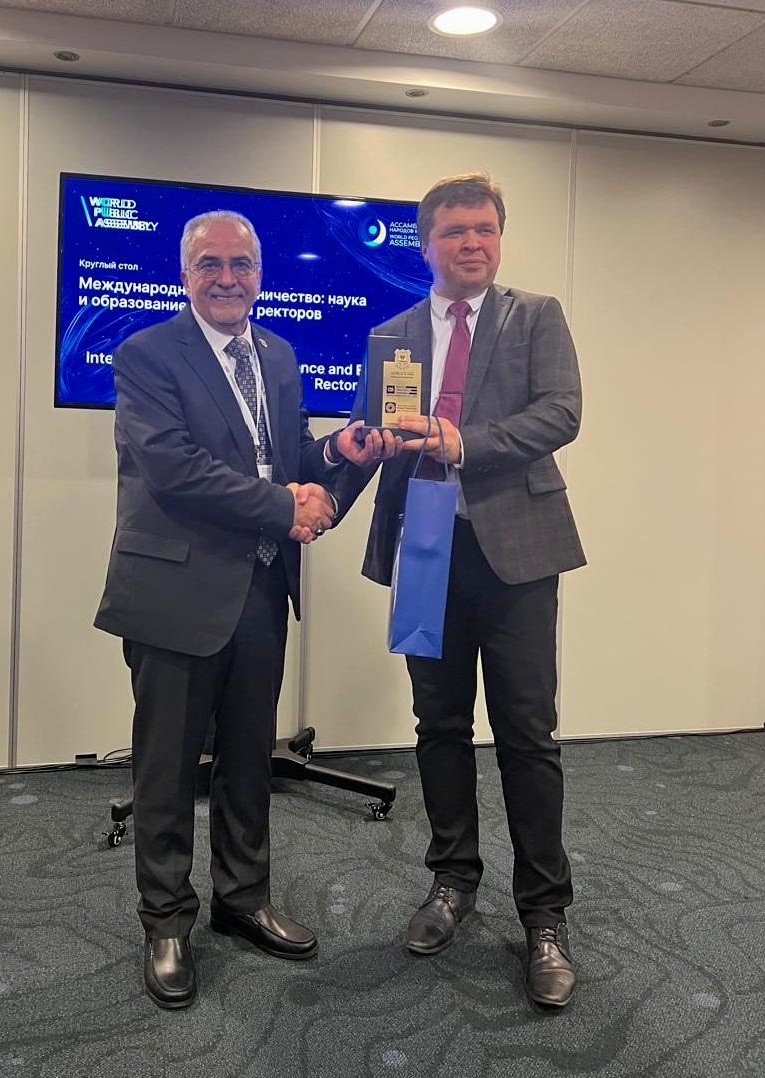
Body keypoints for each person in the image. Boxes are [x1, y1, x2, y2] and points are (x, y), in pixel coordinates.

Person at [94, 210, 386, 1010]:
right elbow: (175, 469)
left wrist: (335, 454)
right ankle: (166, 923)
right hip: (173, 592)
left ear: (261, 274)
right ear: (184, 274)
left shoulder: (278, 355)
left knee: (250, 758)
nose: (228, 279)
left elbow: (283, 455)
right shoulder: (146, 354)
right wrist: (284, 506)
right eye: (210, 264)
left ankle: (242, 898)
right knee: (165, 768)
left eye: (242, 264)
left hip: (260, 589)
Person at [332, 172, 586, 1008]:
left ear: (498, 238)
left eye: (484, 229)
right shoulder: (392, 334)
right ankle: (451, 881)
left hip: (517, 552)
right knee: (437, 725)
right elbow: (372, 437)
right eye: (454, 231)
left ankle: (544, 915)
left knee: (527, 734)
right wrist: (323, 496)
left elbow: (561, 413)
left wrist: (462, 441)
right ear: (425, 243)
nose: (471, 243)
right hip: (425, 549)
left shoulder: (535, 316)